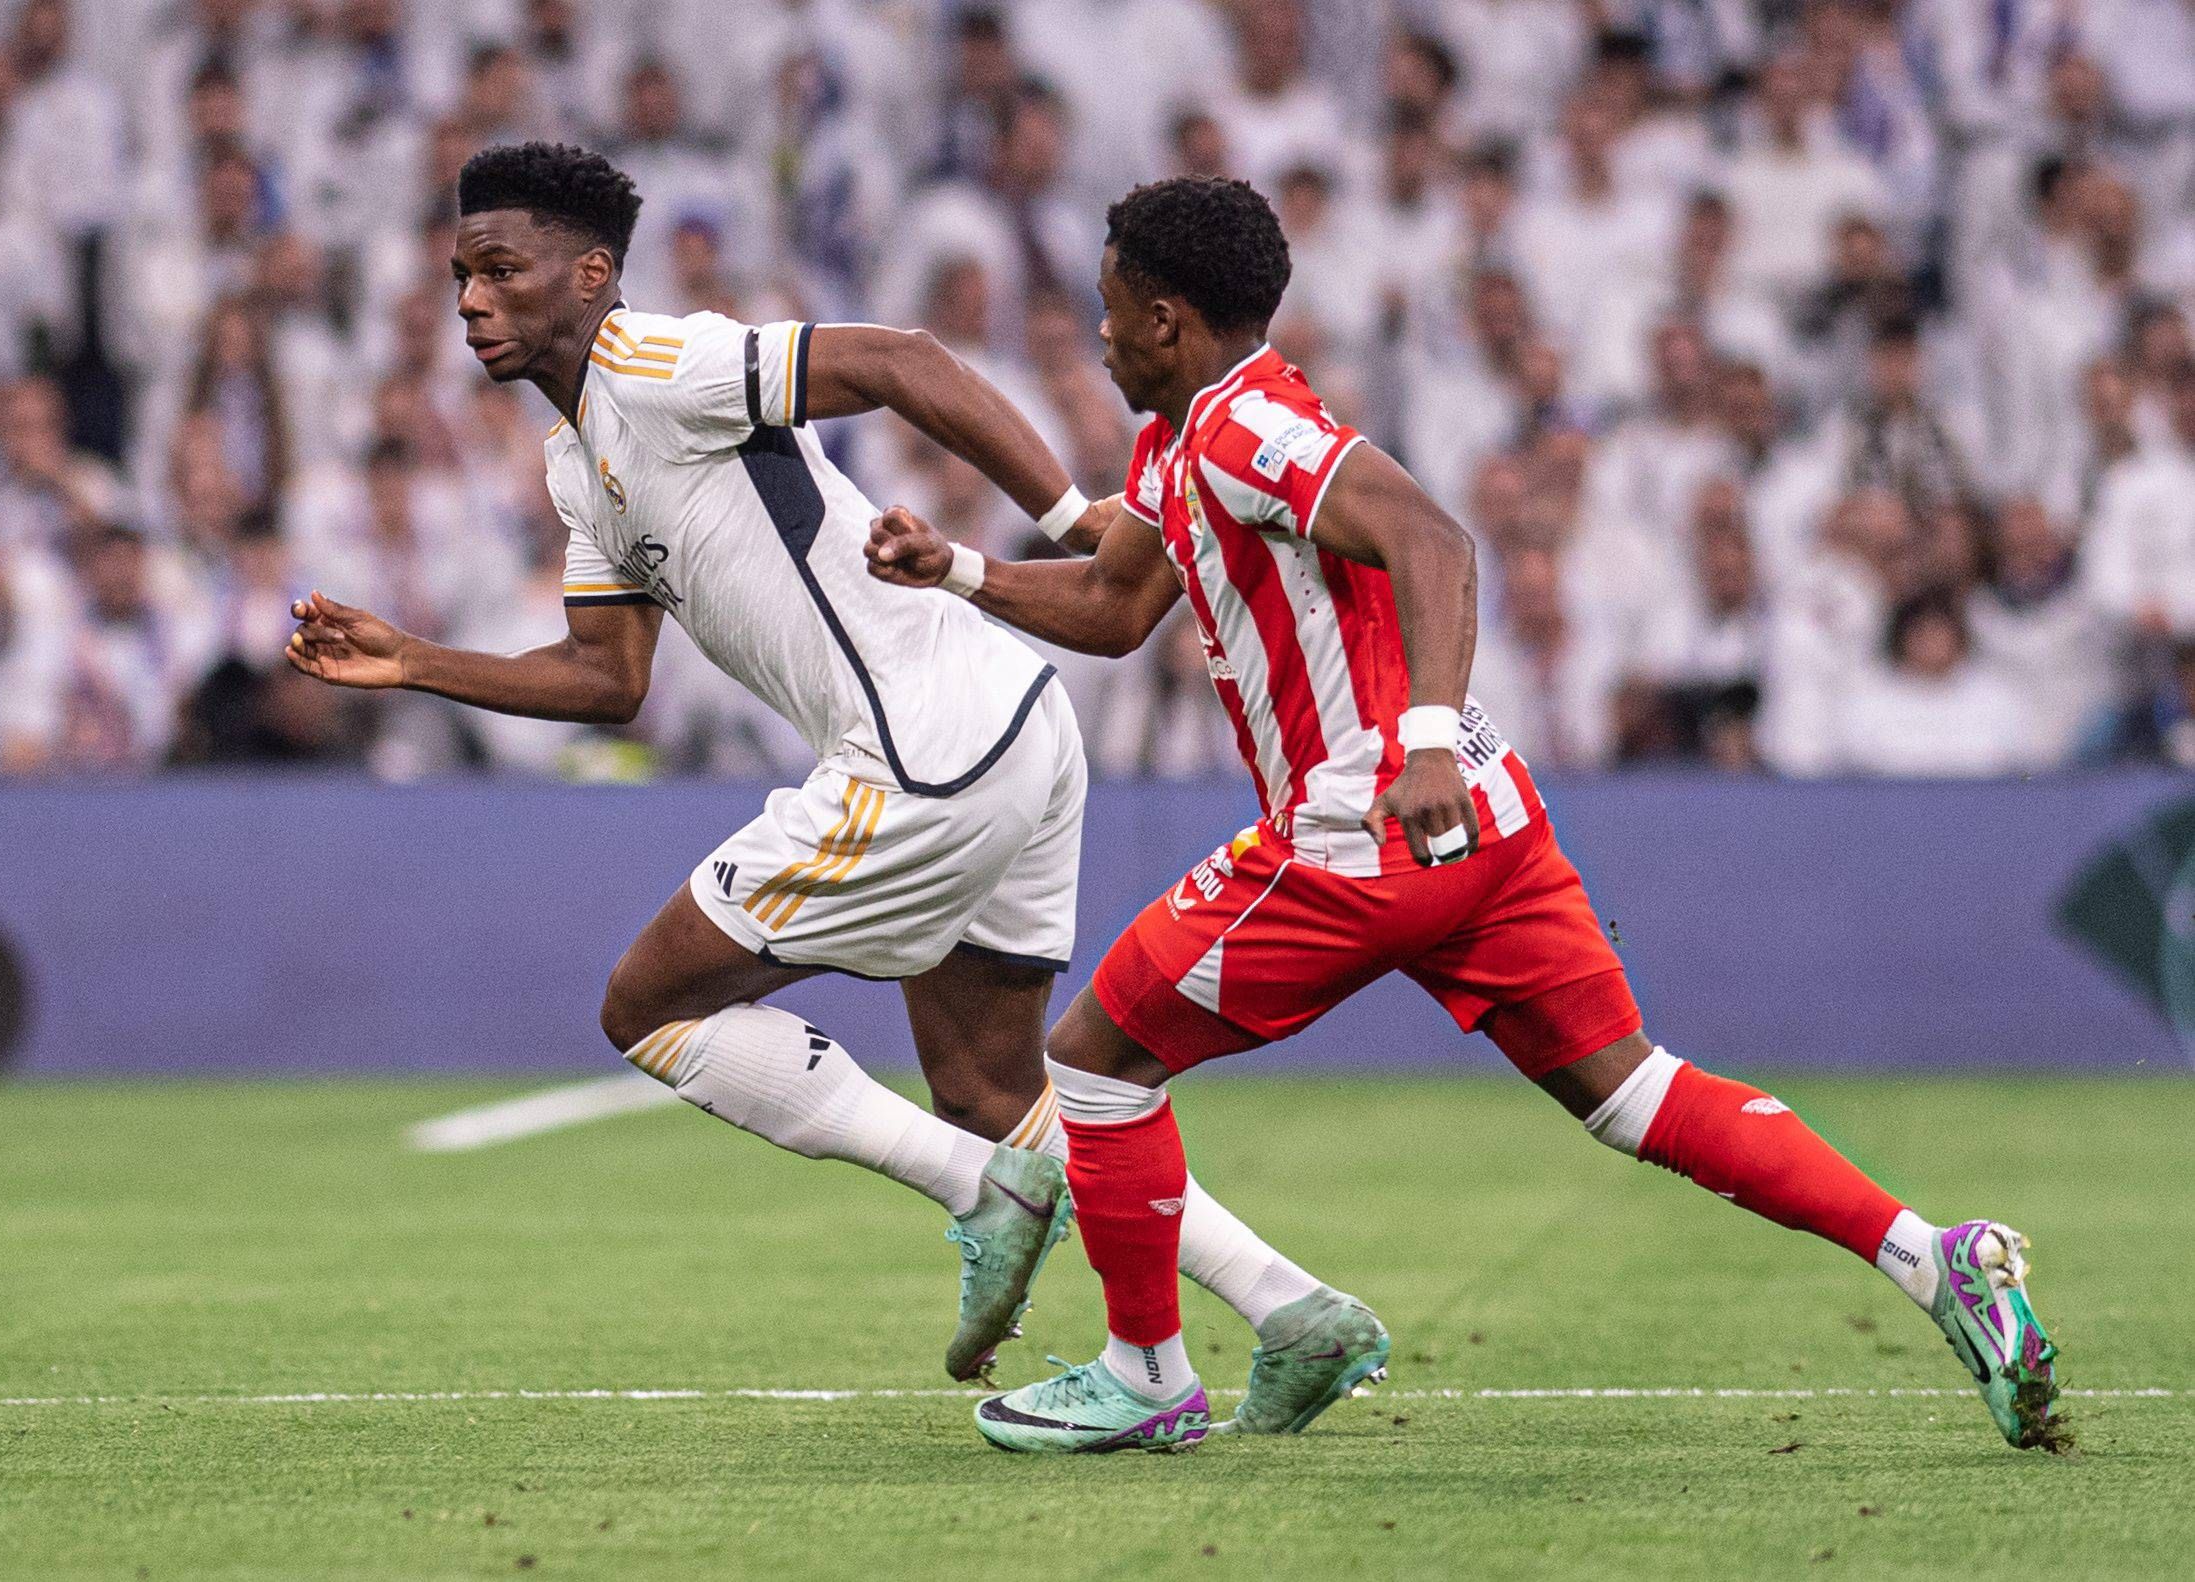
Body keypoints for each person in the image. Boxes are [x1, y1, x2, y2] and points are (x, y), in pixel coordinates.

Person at [864, 176, 2061, 1455]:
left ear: (1167, 320)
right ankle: (1940, 1261)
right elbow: (1113, 608)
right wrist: (966, 573)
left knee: (1095, 1062)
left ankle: (1148, 1372)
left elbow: (1432, 540)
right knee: (1629, 1089)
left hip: (1366, 824)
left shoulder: (1246, 429)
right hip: (1482, 823)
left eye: (1109, 312)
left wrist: (1420, 738)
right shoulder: (1182, 440)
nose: (1096, 335)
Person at [287, 144, 1376, 1418]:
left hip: (920, 749)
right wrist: (415, 660)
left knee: (647, 1007)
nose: (470, 298)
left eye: (500, 270)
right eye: (461, 274)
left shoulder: (659, 361)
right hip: (1013, 725)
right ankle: (1288, 1305)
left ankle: (979, 1193)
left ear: (589, 276)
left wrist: (1076, 520)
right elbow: (605, 677)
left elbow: (902, 360)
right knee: (988, 1088)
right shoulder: (578, 461)